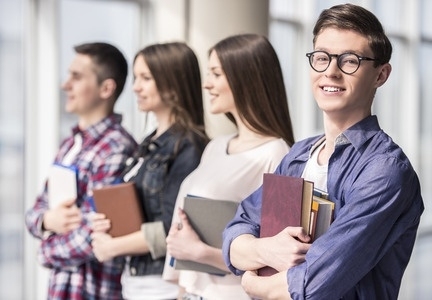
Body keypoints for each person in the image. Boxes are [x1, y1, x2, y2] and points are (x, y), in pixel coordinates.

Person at [222, 4, 425, 300]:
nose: (331, 71)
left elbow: (315, 282)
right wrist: (264, 249)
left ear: (381, 75)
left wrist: (255, 284)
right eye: (321, 58)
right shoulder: (298, 156)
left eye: (350, 61)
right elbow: (234, 232)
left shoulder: (385, 170)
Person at [164, 33, 295, 300]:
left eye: (215, 74)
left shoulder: (278, 154)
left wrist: (201, 253)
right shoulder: (215, 147)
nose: (206, 84)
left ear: (244, 78)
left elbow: (279, 264)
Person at [90, 42, 209, 300]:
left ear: (172, 83)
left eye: (146, 78)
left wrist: (113, 246)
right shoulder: (148, 143)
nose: (135, 87)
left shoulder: (189, 146)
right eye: (136, 77)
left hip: (163, 285)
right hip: (135, 281)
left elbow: (173, 227)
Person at [25, 42, 138, 299]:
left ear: (106, 88)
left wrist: (44, 250)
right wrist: (47, 220)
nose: (66, 85)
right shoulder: (70, 145)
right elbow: (34, 212)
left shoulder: (116, 149)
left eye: (76, 77)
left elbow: (96, 233)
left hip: (93, 291)